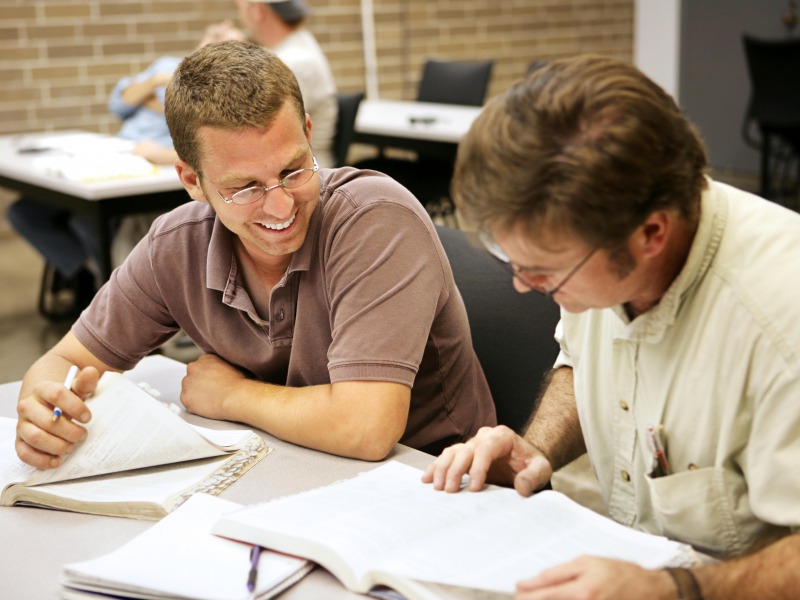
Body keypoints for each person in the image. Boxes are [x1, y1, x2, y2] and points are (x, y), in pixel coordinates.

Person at [14, 41, 495, 472]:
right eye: (245, 188)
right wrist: (43, 409)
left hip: (433, 484)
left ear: (308, 133)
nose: (281, 206)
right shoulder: (176, 245)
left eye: (293, 169)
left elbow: (365, 428)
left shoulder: (374, 220)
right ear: (191, 181)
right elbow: (66, 361)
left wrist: (230, 395)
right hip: (292, 470)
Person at [422, 55, 800, 599]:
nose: (524, 287)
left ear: (651, 233)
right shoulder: (596, 243)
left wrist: (673, 589)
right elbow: (581, 364)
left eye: (545, 271)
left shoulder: (777, 326)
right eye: (511, 259)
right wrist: (537, 450)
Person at [6, 24, 245, 317]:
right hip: (113, 154)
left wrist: (156, 122)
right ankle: (84, 275)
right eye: (214, 35)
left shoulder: (221, 87)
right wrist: (157, 81)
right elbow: (120, 102)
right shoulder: (168, 66)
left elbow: (218, 146)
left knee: (85, 219)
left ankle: (114, 302)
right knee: (25, 212)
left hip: (147, 169)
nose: (214, 43)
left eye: (226, 42)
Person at [230, 0, 338, 168]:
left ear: (258, 10)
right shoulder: (299, 42)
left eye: (240, 9)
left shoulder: (294, 63)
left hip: (302, 175)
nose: (240, 18)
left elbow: (252, 133)